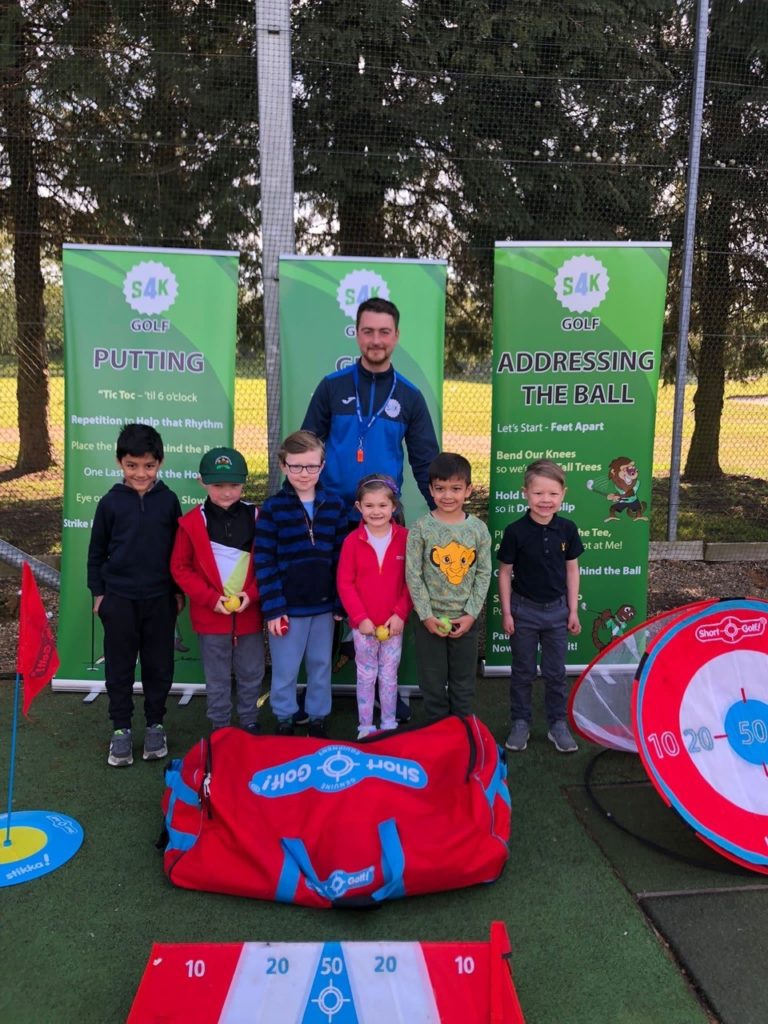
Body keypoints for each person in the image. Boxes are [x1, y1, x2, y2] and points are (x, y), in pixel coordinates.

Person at [87, 423, 183, 767]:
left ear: (160, 463)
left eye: (148, 466)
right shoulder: (110, 503)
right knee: (119, 667)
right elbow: (96, 553)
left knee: (159, 665)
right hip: (120, 600)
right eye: (132, 465)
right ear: (119, 463)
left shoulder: (169, 502)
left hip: (160, 600)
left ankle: (156, 724)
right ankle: (121, 729)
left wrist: (176, 592)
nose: (140, 473)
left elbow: (178, 553)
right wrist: (99, 593)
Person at [301, 296, 439, 526]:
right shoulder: (331, 386)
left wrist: (443, 513)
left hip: (383, 514)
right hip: (331, 514)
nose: (376, 340)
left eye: (384, 332)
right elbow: (305, 449)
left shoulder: (410, 396)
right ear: (356, 334)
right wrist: (292, 502)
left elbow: (426, 463)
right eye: (368, 331)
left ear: (396, 336)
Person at [254, 430, 347, 738]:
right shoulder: (273, 508)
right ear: (283, 466)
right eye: (296, 466)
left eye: (310, 466)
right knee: (285, 669)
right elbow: (264, 560)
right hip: (287, 609)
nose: (303, 473)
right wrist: (273, 608)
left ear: (322, 466)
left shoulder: (334, 506)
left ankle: (318, 717)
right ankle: (284, 717)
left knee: (321, 665)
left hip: (323, 608)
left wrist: (338, 602)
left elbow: (340, 559)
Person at [170, 447, 264, 735]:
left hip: (249, 614)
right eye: (218, 485)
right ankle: (220, 727)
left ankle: (249, 721)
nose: (226, 492)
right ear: (202, 482)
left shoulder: (257, 516)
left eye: (234, 485)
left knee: (251, 672)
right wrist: (212, 599)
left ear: (244, 483)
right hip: (211, 616)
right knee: (217, 676)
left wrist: (252, 594)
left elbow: (269, 563)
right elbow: (180, 568)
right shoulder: (190, 522)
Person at [496, 459, 583, 754]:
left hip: (558, 612)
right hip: (523, 612)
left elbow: (572, 570)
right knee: (522, 671)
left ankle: (557, 724)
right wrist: (507, 612)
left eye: (552, 494)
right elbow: (505, 573)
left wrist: (572, 610)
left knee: (556, 672)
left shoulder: (568, 529)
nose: (545, 500)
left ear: (563, 494)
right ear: (525, 493)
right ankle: (521, 721)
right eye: (538, 494)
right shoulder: (515, 531)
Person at [405, 452, 491, 722]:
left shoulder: (478, 529)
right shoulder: (421, 528)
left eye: (455, 489)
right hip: (428, 621)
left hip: (464, 620)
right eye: (440, 489)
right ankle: (436, 732)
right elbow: (413, 574)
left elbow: (484, 572)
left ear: (468, 490)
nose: (448, 496)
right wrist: (427, 615)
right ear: (430, 490)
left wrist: (471, 614)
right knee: (432, 683)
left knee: (463, 683)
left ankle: (462, 729)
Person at [336, 474, 413, 739]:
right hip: (364, 627)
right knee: (366, 675)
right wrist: (359, 618)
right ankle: (366, 726)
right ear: (359, 507)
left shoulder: (406, 538)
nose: (376, 511)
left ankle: (389, 723)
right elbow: (345, 583)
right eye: (369, 506)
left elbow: (412, 581)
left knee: (389, 676)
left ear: (394, 507)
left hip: (394, 625)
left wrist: (401, 614)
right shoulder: (351, 542)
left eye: (383, 505)